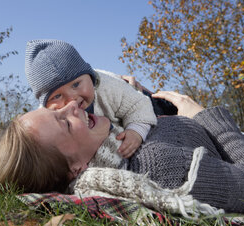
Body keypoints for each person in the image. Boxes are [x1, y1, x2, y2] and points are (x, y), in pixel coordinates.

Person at [0, 91, 244, 215]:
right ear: (75, 169)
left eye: (57, 108)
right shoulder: (157, 168)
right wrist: (204, 117)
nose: (73, 105)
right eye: (65, 122)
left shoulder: (113, 141)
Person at [25, 39, 157, 158]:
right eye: (57, 96)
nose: (72, 100)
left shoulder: (110, 86)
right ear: (45, 106)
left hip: (144, 101)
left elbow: (139, 105)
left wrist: (136, 131)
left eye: (76, 84)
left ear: (91, 77)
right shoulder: (47, 122)